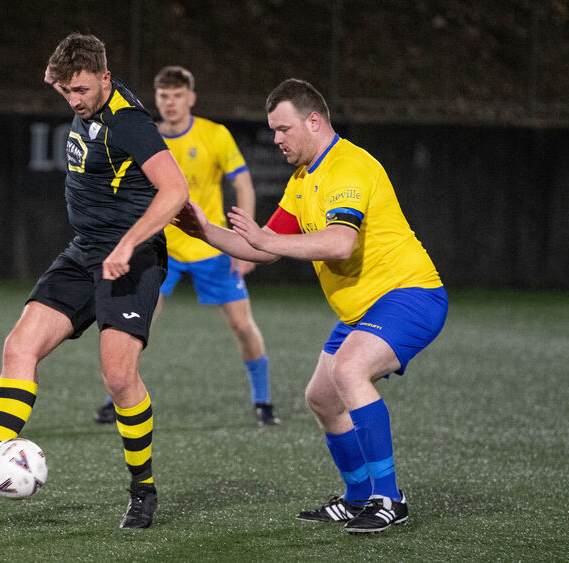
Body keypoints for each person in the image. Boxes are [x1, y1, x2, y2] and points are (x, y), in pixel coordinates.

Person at [0, 33, 188, 530]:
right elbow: (65, 69)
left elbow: (175, 189)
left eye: (82, 90)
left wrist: (129, 244)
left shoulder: (129, 123)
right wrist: (56, 76)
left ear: (106, 79)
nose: (74, 100)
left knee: (118, 377)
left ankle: (143, 490)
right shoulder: (81, 90)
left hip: (129, 259)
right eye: (65, 91)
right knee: (19, 345)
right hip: (84, 251)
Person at [175, 78, 447, 534]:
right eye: (274, 130)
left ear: (314, 121)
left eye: (283, 129)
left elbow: (341, 242)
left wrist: (267, 238)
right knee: (321, 397)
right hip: (363, 310)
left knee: (347, 372)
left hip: (409, 294)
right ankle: (359, 496)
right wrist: (202, 231)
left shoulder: (348, 165)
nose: (276, 139)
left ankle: (389, 497)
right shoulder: (303, 180)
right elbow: (263, 249)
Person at [94, 66, 280, 427]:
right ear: (157, 99)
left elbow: (244, 186)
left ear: (190, 98)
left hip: (212, 248)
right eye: (164, 96)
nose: (170, 103)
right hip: (162, 249)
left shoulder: (215, 134)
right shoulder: (145, 136)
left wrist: (246, 243)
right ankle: (113, 398)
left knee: (242, 326)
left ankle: (264, 401)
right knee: (134, 323)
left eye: (178, 95)